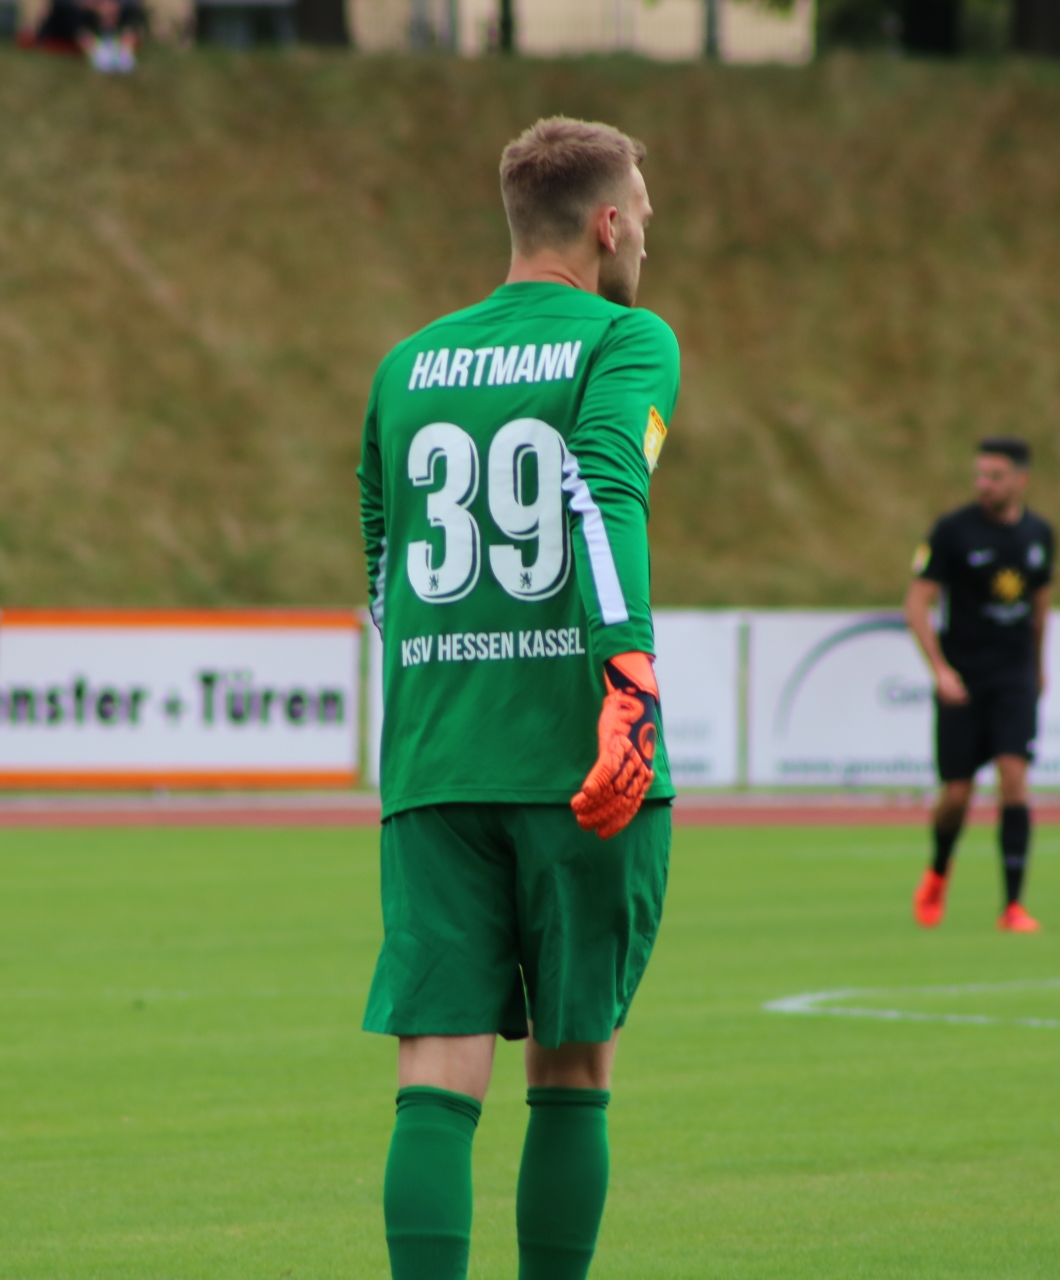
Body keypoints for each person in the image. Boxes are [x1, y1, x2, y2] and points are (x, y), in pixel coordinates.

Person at [356, 117, 676, 1280]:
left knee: (433, 1076)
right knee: (573, 1067)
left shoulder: (407, 364)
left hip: (437, 764)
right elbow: (602, 489)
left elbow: (382, 564)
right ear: (607, 224)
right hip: (580, 758)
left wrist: (448, 683)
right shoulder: (626, 340)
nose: (648, 238)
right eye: (644, 217)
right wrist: (625, 677)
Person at [905, 437, 1055, 933]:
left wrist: (1038, 667)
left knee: (1014, 777)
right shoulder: (953, 531)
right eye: (979, 476)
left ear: (1021, 480)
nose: (984, 485)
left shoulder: (1039, 534)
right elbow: (917, 603)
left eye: (995, 476)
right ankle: (937, 873)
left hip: (1013, 676)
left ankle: (1013, 906)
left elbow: (1040, 607)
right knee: (957, 795)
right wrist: (940, 669)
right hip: (964, 679)